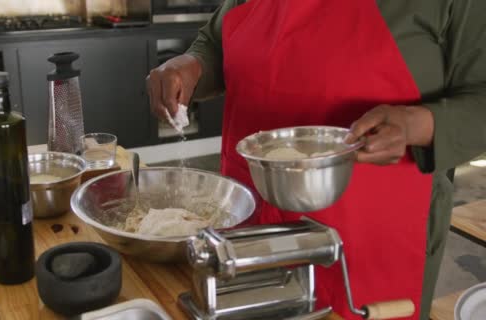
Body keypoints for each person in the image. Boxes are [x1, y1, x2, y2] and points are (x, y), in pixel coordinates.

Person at [146, 1, 486, 319]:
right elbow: (218, 41)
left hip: (371, 233)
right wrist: (190, 65)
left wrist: (418, 124)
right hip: (253, 227)